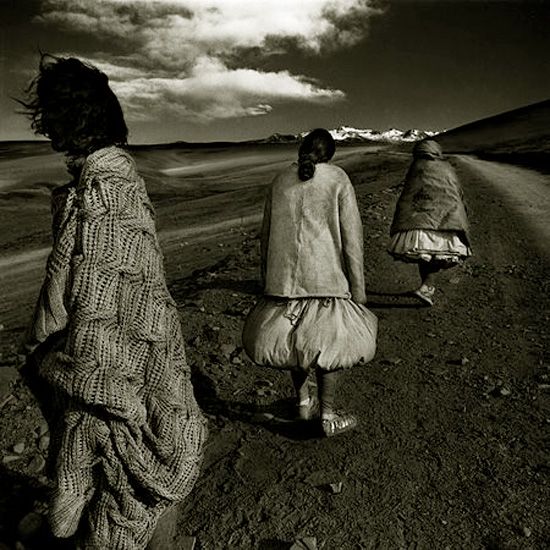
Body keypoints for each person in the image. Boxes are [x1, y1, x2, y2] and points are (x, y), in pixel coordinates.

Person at [19, 55, 207, 550]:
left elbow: (105, 298)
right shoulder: (107, 182)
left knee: (116, 453)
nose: (46, 127)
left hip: (111, 355)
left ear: (68, 120)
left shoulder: (104, 193)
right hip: (115, 350)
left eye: (52, 115)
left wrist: (89, 370)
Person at [242, 128, 378, 437]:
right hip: (327, 279)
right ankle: (327, 416)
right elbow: (352, 239)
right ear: (330, 155)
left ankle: (303, 403)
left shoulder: (280, 180)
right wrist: (358, 288)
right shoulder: (338, 179)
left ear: (302, 150)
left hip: (284, 280)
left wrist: (267, 277)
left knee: (296, 344)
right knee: (328, 347)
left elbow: (266, 234)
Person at [388, 139, 472, 306]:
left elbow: (409, 194)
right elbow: (456, 192)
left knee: (424, 255)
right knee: (435, 255)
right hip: (447, 219)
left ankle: (427, 286)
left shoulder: (416, 166)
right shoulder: (447, 168)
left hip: (420, 218)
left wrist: (401, 216)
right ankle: (427, 287)